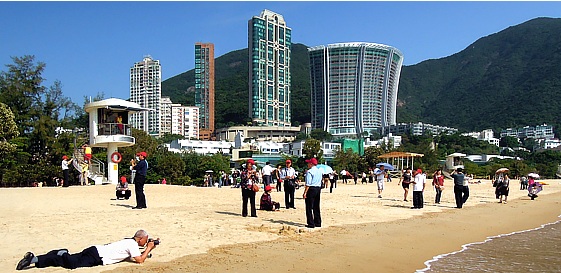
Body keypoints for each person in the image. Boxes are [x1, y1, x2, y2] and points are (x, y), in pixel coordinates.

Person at [16, 229, 158, 270]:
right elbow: (139, 260)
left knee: (60, 262)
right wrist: (149, 248)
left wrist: (147, 250)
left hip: (95, 250)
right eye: (146, 239)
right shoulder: (132, 244)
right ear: (140, 239)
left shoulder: (128, 241)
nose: (147, 241)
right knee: (70, 263)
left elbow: (131, 256)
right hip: (97, 257)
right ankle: (62, 253)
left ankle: (36, 260)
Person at [303, 158, 322, 228]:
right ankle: (318, 222)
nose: (307, 164)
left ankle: (311, 223)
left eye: (308, 163)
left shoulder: (309, 172)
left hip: (311, 189)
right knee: (316, 206)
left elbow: (308, 183)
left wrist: (305, 193)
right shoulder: (319, 171)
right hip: (318, 188)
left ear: (311, 164)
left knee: (309, 207)